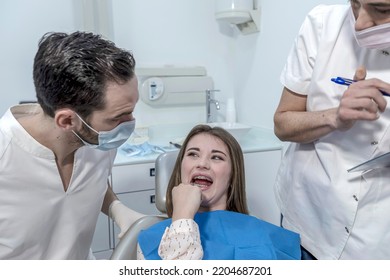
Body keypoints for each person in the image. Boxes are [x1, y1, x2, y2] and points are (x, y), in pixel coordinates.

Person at [0, 31, 145, 259]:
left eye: (132, 110)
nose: (130, 123)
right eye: (119, 116)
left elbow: (87, 179)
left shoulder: (99, 139)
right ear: (68, 120)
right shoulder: (5, 155)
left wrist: (116, 209)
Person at [273, 0, 390, 260]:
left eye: (381, 10)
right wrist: (335, 117)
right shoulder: (323, 24)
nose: (359, 23)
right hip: (307, 218)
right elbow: (282, 123)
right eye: (356, 3)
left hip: (374, 239)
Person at [137, 124, 301, 260]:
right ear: (181, 169)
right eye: (193, 154)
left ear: (232, 176)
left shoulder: (262, 236)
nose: (202, 163)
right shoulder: (151, 239)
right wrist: (182, 219)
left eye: (216, 157)